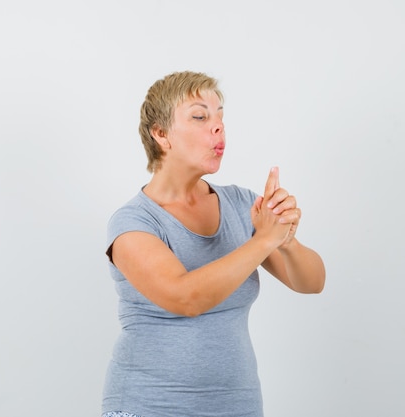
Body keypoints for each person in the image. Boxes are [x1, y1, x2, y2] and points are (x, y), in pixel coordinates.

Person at [102, 71, 325, 417]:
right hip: (149, 406)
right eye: (200, 116)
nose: (218, 126)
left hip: (237, 407)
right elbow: (185, 298)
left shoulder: (240, 205)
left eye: (220, 114)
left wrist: (286, 238)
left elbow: (311, 283)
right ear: (161, 134)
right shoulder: (133, 222)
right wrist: (265, 238)